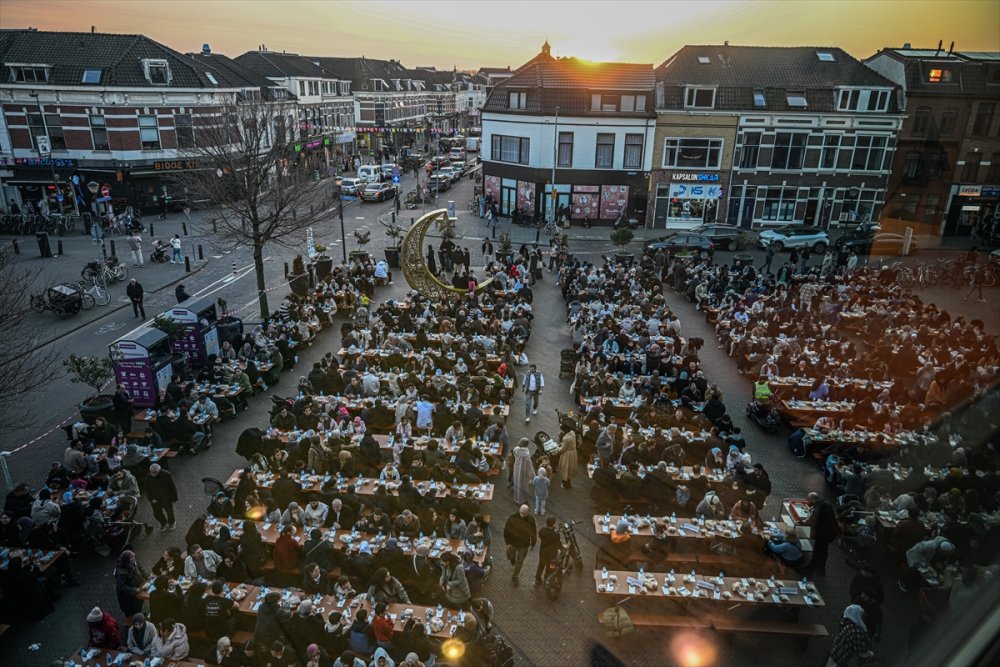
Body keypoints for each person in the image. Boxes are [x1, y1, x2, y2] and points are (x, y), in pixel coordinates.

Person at [503, 504, 536, 586]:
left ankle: (515, 575)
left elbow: (533, 532)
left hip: (524, 545)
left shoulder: (531, 520)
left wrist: (533, 543)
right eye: (521, 513)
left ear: (528, 512)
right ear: (519, 510)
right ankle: (512, 558)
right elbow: (506, 530)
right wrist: (508, 543)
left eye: (524, 513)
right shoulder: (512, 518)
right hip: (513, 543)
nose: (522, 515)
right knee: (510, 555)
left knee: (520, 561)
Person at [807, 491, 839, 575]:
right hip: (831, 532)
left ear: (812, 500)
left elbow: (812, 522)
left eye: (808, 500)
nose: (807, 501)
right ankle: (821, 568)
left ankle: (811, 568)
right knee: (824, 550)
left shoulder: (818, 507)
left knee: (817, 550)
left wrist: (803, 523)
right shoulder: (825, 503)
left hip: (823, 534)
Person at [115, 549, 147, 617]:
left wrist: (147, 576)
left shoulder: (133, 562)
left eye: (133, 557)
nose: (133, 559)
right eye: (131, 558)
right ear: (126, 560)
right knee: (131, 611)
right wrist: (134, 590)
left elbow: (140, 569)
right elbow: (121, 587)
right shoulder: (122, 573)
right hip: (129, 598)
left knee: (138, 606)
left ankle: (139, 614)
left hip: (138, 591)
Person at [146, 463, 178, 531]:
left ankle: (172, 522)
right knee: (157, 513)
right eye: (151, 472)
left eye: (154, 472)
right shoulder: (148, 477)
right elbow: (147, 489)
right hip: (155, 499)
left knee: (169, 512)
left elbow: (172, 487)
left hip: (166, 498)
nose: (153, 474)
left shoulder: (167, 475)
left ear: (159, 470)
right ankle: (163, 523)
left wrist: (174, 498)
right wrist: (151, 499)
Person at [535, 515, 560, 588]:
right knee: (551, 567)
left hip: (543, 552)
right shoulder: (555, 534)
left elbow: (540, 535)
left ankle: (537, 580)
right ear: (553, 524)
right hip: (552, 554)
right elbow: (558, 543)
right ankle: (547, 579)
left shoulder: (542, 530)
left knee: (541, 566)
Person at [555, 423, 579, 489]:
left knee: (566, 468)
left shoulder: (566, 438)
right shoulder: (572, 433)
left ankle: (566, 483)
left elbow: (563, 449)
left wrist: (557, 448)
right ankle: (568, 482)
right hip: (573, 452)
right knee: (570, 468)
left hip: (567, 454)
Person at [511, 438, 533, 505]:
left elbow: (514, 454)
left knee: (517, 480)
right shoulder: (526, 453)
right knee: (523, 483)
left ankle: (517, 497)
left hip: (517, 467)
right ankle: (522, 498)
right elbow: (529, 464)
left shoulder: (516, 449)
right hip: (523, 469)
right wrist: (531, 474)